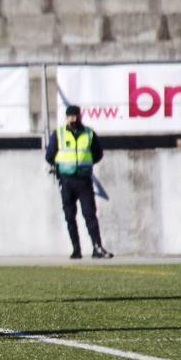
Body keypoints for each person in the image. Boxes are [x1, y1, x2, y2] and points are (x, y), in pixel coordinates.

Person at [45, 105, 113, 259]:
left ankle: (97, 247)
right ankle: (76, 249)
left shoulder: (89, 133)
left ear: (79, 116)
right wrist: (61, 167)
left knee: (90, 215)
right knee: (70, 216)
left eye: (74, 116)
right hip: (66, 180)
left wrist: (84, 164)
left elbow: (98, 154)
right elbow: (49, 155)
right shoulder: (59, 133)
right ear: (66, 117)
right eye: (70, 116)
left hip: (83, 180)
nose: (72, 119)